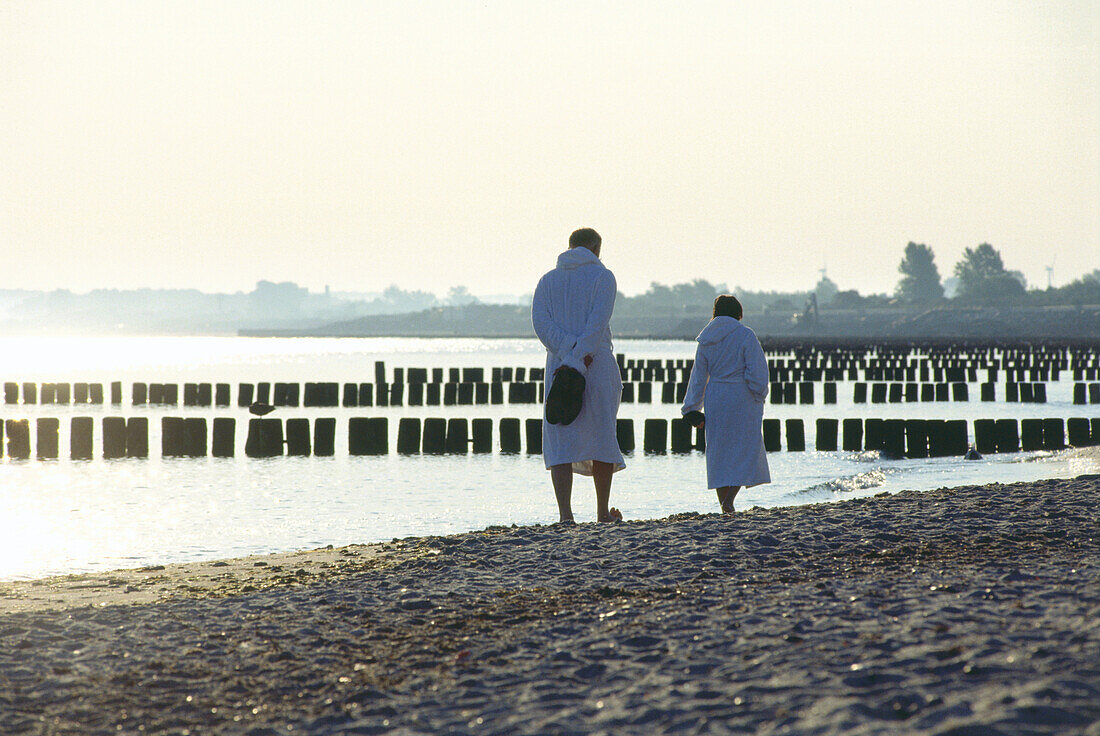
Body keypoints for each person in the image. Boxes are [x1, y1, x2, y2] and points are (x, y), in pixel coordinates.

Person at [532, 228, 625, 523]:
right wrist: (579, 357)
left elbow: (541, 324)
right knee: (602, 436)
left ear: (570, 247)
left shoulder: (547, 280)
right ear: (596, 248)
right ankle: (601, 512)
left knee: (560, 435)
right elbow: (597, 324)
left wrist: (567, 353)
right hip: (594, 363)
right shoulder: (604, 277)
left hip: (558, 366)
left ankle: (565, 515)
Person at [681, 294, 770, 513]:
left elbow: (698, 376)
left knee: (719, 452)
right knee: (745, 449)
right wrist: (758, 392)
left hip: (717, 396)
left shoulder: (705, 338)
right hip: (742, 396)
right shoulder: (745, 335)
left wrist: (692, 407)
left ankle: (725, 505)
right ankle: (728, 501)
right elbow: (757, 372)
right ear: (738, 313)